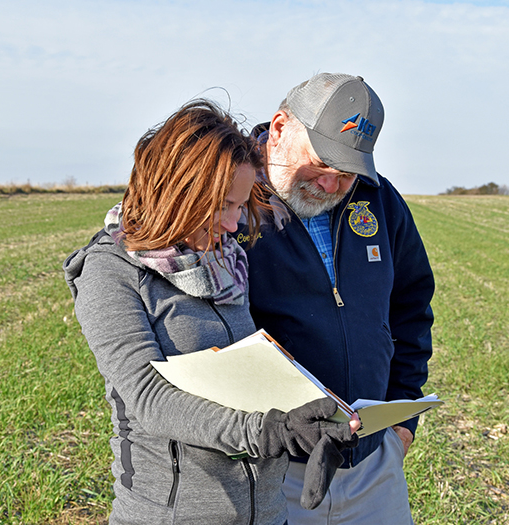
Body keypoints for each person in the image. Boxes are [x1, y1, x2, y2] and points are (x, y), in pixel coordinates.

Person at [63, 99, 359, 525]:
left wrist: (309, 423)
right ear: (178, 188)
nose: (233, 224)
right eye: (223, 204)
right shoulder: (111, 271)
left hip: (267, 513)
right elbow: (150, 398)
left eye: (239, 206)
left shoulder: (227, 262)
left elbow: (248, 377)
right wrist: (267, 431)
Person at [234, 73, 435, 524]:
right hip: (269, 468)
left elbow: (412, 305)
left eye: (346, 172)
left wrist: (401, 426)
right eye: (321, 163)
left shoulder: (379, 199)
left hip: (371, 463)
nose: (330, 184)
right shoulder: (231, 198)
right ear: (281, 128)